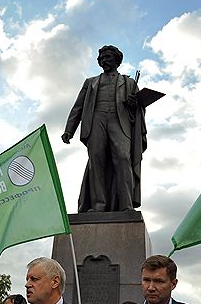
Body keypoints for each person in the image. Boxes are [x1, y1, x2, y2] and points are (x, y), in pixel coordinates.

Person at [62, 45, 146, 212]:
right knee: (96, 161)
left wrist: (134, 105)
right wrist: (69, 130)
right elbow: (78, 107)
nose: (105, 60)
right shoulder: (90, 82)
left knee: (123, 159)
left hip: (119, 122)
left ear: (117, 60)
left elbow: (139, 109)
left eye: (108, 57)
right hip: (96, 121)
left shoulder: (129, 83)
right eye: (102, 58)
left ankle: (126, 205)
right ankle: (98, 205)